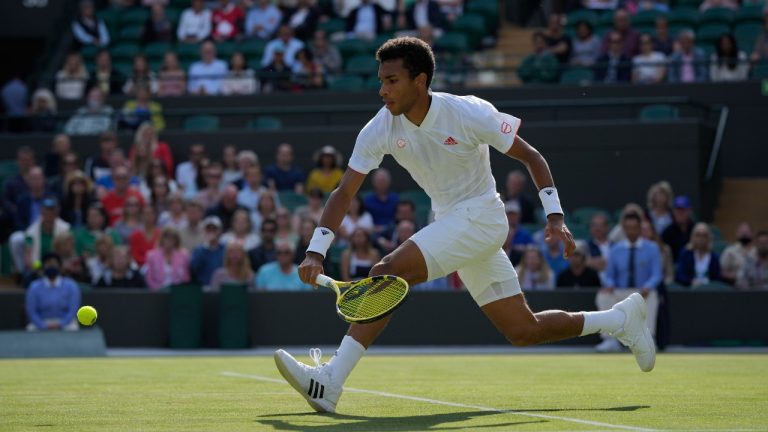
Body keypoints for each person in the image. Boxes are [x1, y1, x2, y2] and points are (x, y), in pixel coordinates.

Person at [275, 37, 656, 414]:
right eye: (381, 81)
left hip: (483, 218)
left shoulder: (468, 112)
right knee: (524, 330)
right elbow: (344, 192)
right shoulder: (381, 127)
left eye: (392, 81)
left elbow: (533, 157)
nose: (382, 90)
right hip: (453, 223)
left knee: (387, 272)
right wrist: (315, 250)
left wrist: (555, 216)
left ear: (420, 81)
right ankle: (620, 318)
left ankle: (330, 380)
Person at [598, 212, 661, 352]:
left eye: (634, 227)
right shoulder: (615, 250)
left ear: (640, 228)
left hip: (641, 293)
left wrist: (648, 286)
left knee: (653, 295)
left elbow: (656, 275)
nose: (631, 231)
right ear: (624, 229)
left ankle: (648, 339)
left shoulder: (652, 248)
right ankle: (609, 340)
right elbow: (609, 276)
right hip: (620, 293)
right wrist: (609, 285)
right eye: (628, 228)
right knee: (603, 295)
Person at [9, 196, 71, 277]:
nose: (49, 214)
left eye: (52, 211)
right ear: (41, 212)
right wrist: (40, 268)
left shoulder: (65, 229)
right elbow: (29, 259)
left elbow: (69, 254)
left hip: (60, 268)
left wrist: (58, 267)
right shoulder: (30, 232)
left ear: (57, 212)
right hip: (39, 266)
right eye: (46, 211)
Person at [25, 253, 81, 331]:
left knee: (73, 328)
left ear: (60, 266)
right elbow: (31, 311)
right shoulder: (34, 286)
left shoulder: (71, 285)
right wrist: (43, 325)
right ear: (43, 267)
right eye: (48, 264)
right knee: (30, 329)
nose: (51, 266)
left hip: (65, 322)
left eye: (54, 264)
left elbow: (73, 309)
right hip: (42, 321)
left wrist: (61, 323)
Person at [675, 222, 721, 287]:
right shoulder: (686, 254)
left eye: (704, 235)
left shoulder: (714, 257)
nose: (701, 238)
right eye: (698, 235)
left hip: (709, 290)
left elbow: (717, 278)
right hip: (689, 290)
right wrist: (690, 281)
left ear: (708, 238)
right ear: (693, 237)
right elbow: (680, 275)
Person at [190, 216, 226, 286]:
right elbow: (194, 268)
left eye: (214, 229)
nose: (211, 231)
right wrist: (207, 246)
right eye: (209, 229)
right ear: (204, 231)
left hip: (222, 288)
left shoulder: (225, 248)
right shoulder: (199, 250)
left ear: (220, 231)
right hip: (203, 288)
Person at [363, 168, 398, 234]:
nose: (381, 184)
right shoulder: (367, 200)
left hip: (392, 231)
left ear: (388, 182)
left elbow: (398, 218)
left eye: (383, 181)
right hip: (372, 232)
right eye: (379, 181)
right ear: (374, 182)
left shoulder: (395, 198)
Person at [661, 195, 695, 262]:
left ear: (690, 211)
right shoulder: (667, 232)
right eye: (677, 210)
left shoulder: (696, 230)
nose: (680, 213)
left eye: (683, 210)